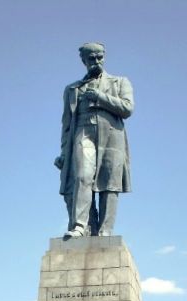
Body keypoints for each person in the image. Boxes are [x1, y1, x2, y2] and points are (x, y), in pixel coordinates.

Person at [54, 42, 134, 238]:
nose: (96, 61)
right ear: (83, 60)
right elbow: (66, 125)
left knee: (109, 184)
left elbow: (127, 108)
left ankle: (105, 231)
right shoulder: (72, 89)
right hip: (83, 132)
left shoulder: (120, 82)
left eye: (99, 57)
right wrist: (64, 153)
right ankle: (81, 226)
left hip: (111, 136)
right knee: (82, 176)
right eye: (91, 58)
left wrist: (100, 97)